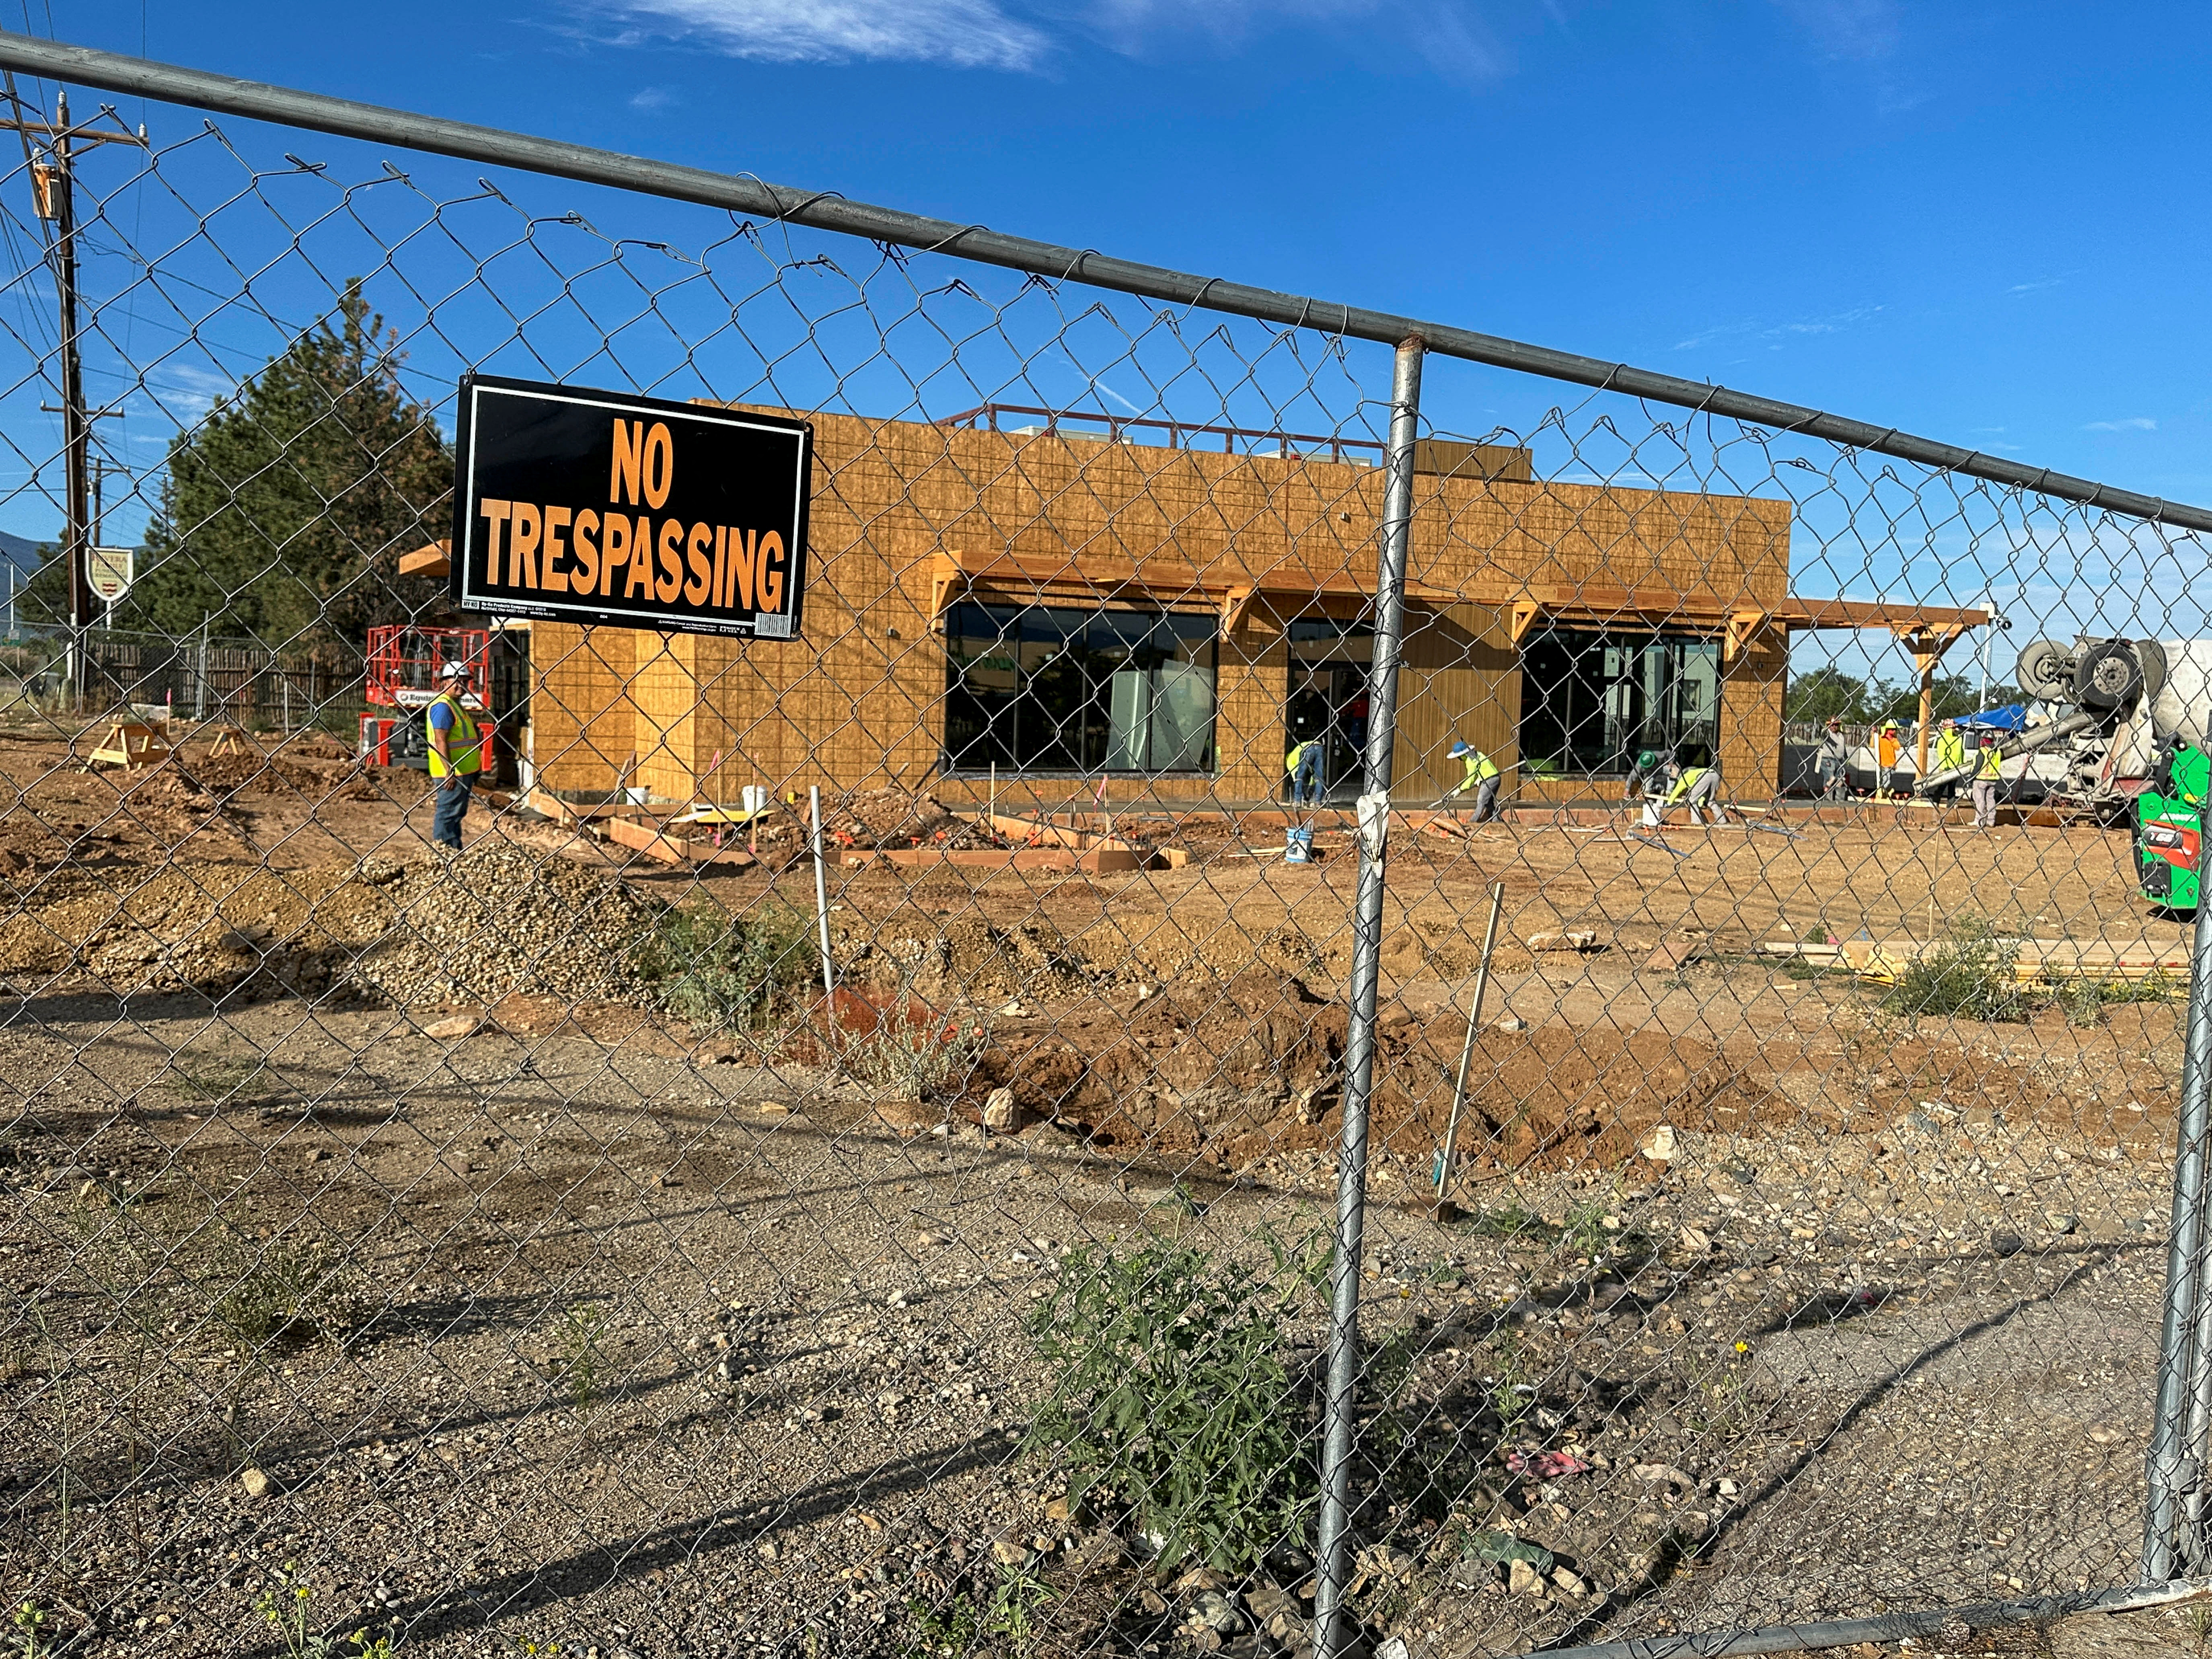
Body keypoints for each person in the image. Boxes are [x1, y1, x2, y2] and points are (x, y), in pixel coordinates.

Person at [426, 658, 486, 851]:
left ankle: (453, 849)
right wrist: (448, 771)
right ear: (445, 682)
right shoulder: (443, 707)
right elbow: (441, 740)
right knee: (448, 814)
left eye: (465, 682)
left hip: (462, 772)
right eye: (457, 681)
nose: (462, 686)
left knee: (455, 814)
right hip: (453, 774)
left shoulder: (454, 704)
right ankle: (444, 851)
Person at [1447, 739, 1502, 822]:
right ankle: (1496, 821)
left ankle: (1473, 821)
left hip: (1489, 780)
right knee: (1489, 802)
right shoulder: (1479, 754)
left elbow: (1470, 778)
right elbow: (1485, 767)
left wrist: (1460, 789)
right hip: (1496, 778)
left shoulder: (1470, 761)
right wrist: (1480, 778)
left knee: (1481, 800)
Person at [1971, 730, 2004, 830]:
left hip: (1981, 779)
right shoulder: (1998, 751)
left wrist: (1971, 777)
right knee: (1991, 800)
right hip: (1993, 779)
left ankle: (1979, 821)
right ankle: (1991, 821)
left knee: (1980, 800)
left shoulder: (1983, 751)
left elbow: (1978, 766)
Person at [1932, 717, 1967, 807]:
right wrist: (1944, 766)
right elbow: (1942, 754)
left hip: (1956, 767)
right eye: (1953, 728)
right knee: (1942, 786)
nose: (1955, 730)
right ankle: (1936, 801)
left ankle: (1951, 803)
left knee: (1952, 787)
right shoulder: (1942, 740)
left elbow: (1961, 752)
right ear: (1947, 729)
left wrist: (1963, 763)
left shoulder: (1959, 739)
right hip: (1946, 767)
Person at [1815, 717, 1850, 801]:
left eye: (1836, 725)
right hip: (1828, 759)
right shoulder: (1827, 734)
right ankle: (1828, 799)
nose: (1834, 727)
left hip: (1839, 761)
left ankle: (1839, 801)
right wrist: (1825, 728)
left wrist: (1846, 758)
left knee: (1841, 781)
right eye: (1832, 725)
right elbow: (1822, 733)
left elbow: (1843, 747)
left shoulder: (1841, 735)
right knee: (1831, 779)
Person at [1285, 736, 1324, 808]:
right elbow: (1313, 777)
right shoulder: (1296, 751)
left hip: (1307, 749)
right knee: (1319, 777)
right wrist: (1309, 791)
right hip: (1319, 747)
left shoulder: (1290, 761)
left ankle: (1297, 802)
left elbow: (1297, 777)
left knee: (1299, 777)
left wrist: (1304, 797)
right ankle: (1318, 803)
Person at [1876, 723, 1902, 799]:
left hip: (1892, 763)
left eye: (1895, 730)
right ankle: (1880, 792)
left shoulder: (1894, 739)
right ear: (1888, 730)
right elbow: (1873, 744)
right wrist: (1874, 734)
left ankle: (1884, 793)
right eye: (1893, 730)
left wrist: (1891, 740)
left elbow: (1898, 747)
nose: (1895, 731)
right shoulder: (1881, 738)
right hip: (1884, 762)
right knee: (1887, 779)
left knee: (1889, 778)